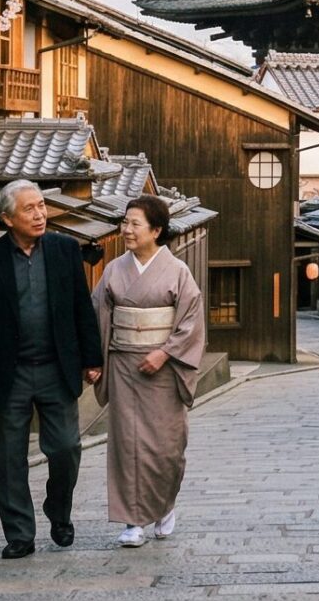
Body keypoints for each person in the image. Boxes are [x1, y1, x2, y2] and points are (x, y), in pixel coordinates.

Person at [0, 179, 104, 559]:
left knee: (67, 447)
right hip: (10, 371)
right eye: (29, 209)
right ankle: (19, 534)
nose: (39, 215)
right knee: (9, 458)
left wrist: (92, 358)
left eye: (41, 206)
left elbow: (80, 308)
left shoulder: (63, 250)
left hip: (57, 367)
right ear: (8, 218)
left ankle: (58, 509)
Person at [90, 194, 206, 547]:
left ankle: (165, 504)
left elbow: (190, 322)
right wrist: (96, 360)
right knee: (126, 444)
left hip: (164, 370)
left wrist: (165, 353)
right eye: (125, 222)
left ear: (156, 230)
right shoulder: (113, 269)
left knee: (167, 446)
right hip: (124, 363)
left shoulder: (177, 271)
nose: (126, 229)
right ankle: (133, 520)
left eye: (134, 223)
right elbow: (99, 315)